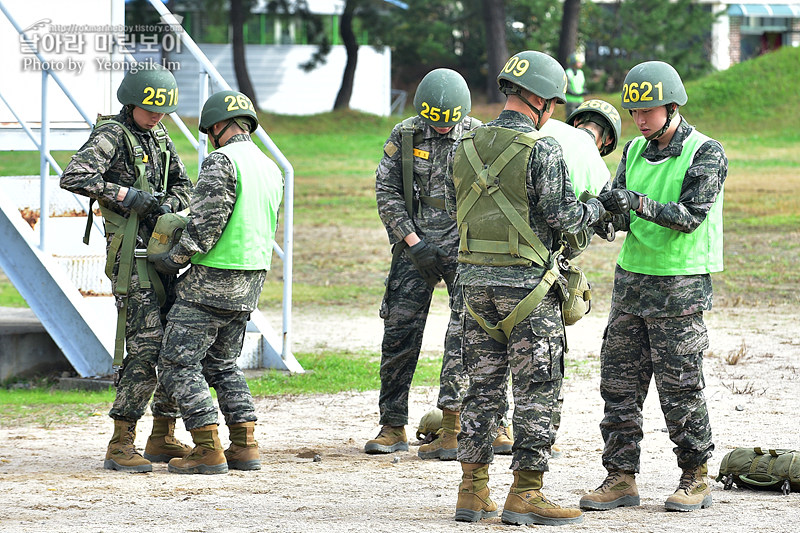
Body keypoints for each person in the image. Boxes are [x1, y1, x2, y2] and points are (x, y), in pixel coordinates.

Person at [444, 50, 608, 526]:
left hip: (473, 288)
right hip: (527, 292)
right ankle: (526, 493)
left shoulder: (465, 147)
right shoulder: (543, 150)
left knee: (481, 390)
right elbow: (566, 219)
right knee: (539, 388)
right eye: (553, 102)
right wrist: (599, 208)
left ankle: (472, 492)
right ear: (537, 100)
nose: (553, 111)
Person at [580, 60, 726, 513]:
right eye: (635, 112)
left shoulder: (706, 152)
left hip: (678, 290)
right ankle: (620, 476)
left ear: (672, 105)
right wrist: (597, 210)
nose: (640, 120)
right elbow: (623, 215)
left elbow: (689, 217)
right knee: (619, 385)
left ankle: (695, 475)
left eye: (649, 111)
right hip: (631, 285)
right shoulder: (635, 151)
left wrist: (634, 202)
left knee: (680, 386)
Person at [60, 64, 193, 472]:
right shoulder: (111, 135)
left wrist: (166, 205)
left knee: (173, 344)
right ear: (131, 102)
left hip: (162, 253)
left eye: (162, 110)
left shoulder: (160, 136)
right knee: (146, 347)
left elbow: (185, 187)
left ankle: (163, 435)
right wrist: (126, 195)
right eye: (150, 109)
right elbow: (74, 176)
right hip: (130, 258)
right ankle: (121, 443)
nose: (157, 116)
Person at [149, 90, 283, 475]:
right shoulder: (270, 166)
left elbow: (206, 224)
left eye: (209, 130)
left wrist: (172, 259)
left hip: (211, 281)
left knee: (177, 363)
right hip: (251, 280)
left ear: (218, 127)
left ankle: (207, 448)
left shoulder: (221, 162)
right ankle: (244, 445)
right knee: (223, 366)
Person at [367, 68, 491, 458]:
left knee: (468, 337)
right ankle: (392, 424)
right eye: (434, 122)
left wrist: (466, 243)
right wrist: (413, 242)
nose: (441, 129)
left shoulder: (479, 136)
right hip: (414, 245)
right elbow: (386, 190)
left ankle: (464, 425)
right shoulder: (405, 135)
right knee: (399, 333)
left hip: (464, 249)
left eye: (448, 122)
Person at [565, 53, 587, 117]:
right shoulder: (568, 73)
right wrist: (576, 94)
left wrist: (584, 91)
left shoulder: (581, 73)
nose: (581, 63)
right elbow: (567, 88)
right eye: (579, 62)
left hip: (580, 101)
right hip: (571, 101)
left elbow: (583, 85)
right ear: (573, 62)